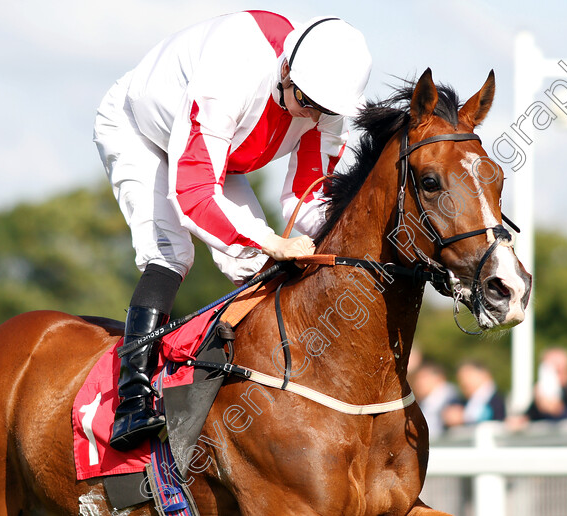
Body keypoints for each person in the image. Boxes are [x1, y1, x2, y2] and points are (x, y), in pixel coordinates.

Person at [93, 11, 372, 451]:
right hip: (141, 132)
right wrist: (273, 240)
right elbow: (194, 195)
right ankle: (131, 400)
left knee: (259, 266)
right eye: (307, 102)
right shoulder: (232, 68)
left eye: (325, 109)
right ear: (285, 69)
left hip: (225, 155)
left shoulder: (326, 100)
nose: (313, 114)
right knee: (171, 253)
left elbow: (307, 199)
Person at [443, 360, 505, 427]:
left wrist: (463, 418)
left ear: (484, 373)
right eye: (460, 378)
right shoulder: (461, 402)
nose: (464, 381)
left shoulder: (501, 399)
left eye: (468, 375)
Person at [412, 360, 460, 440]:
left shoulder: (451, 398)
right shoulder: (425, 401)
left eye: (422, 378)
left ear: (438, 377)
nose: (418, 383)